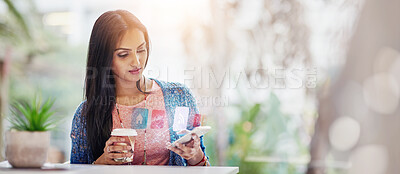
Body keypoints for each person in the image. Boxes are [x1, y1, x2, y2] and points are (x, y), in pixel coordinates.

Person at [70, 10, 209, 166]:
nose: (136, 62)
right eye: (123, 54)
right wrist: (103, 162)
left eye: (141, 50)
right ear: (104, 58)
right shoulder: (85, 115)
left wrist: (195, 155)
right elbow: (77, 169)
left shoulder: (179, 96)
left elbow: (205, 168)